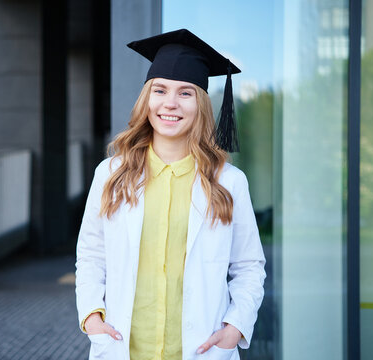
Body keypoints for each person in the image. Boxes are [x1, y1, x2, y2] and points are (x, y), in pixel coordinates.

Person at [75, 29, 266, 360]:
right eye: (160, 90)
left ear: (201, 103)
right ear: (146, 98)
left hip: (202, 349)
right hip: (124, 348)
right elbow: (91, 255)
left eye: (186, 93)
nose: (170, 104)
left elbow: (249, 266)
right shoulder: (111, 174)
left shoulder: (229, 182)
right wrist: (92, 316)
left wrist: (234, 327)